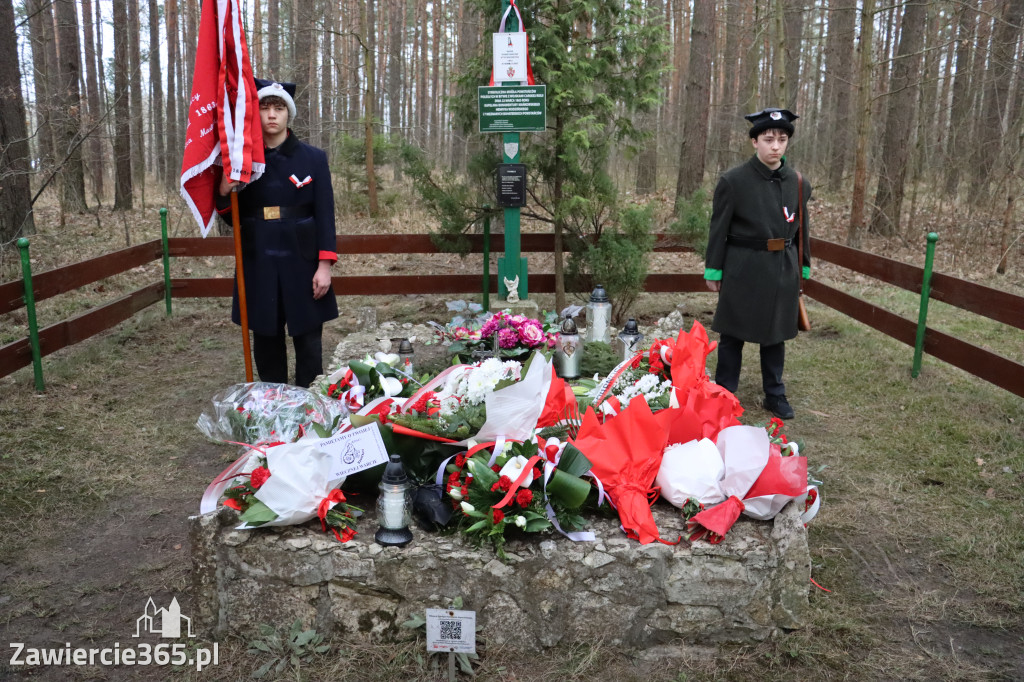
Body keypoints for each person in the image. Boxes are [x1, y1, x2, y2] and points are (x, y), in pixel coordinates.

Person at [217, 78, 338, 388]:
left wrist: (324, 265)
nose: (271, 114)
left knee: (308, 339)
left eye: (279, 108)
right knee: (266, 339)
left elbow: (325, 215)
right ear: (255, 113)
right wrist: (224, 191)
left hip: (303, 259)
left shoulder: (313, 158)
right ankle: (273, 403)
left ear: (288, 114)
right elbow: (232, 218)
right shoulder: (243, 161)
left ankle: (309, 402)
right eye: (265, 107)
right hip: (259, 256)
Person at [704, 108, 811, 420]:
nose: (775, 146)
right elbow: (718, 229)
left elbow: (803, 229)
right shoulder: (733, 181)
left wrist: (803, 266)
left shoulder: (798, 183)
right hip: (743, 267)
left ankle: (774, 393)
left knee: (775, 335)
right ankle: (724, 392)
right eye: (768, 139)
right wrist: (714, 268)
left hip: (782, 268)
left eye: (781, 139)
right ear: (754, 141)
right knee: (732, 334)